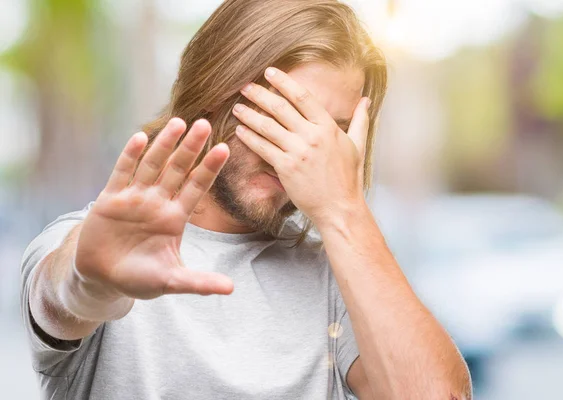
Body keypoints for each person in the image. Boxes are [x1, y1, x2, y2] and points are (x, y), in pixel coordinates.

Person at [20, 0, 472, 399]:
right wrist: (91, 278)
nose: (297, 153)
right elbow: (64, 295)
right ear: (214, 90)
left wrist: (344, 210)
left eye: (326, 132)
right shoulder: (89, 243)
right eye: (281, 115)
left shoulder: (343, 272)